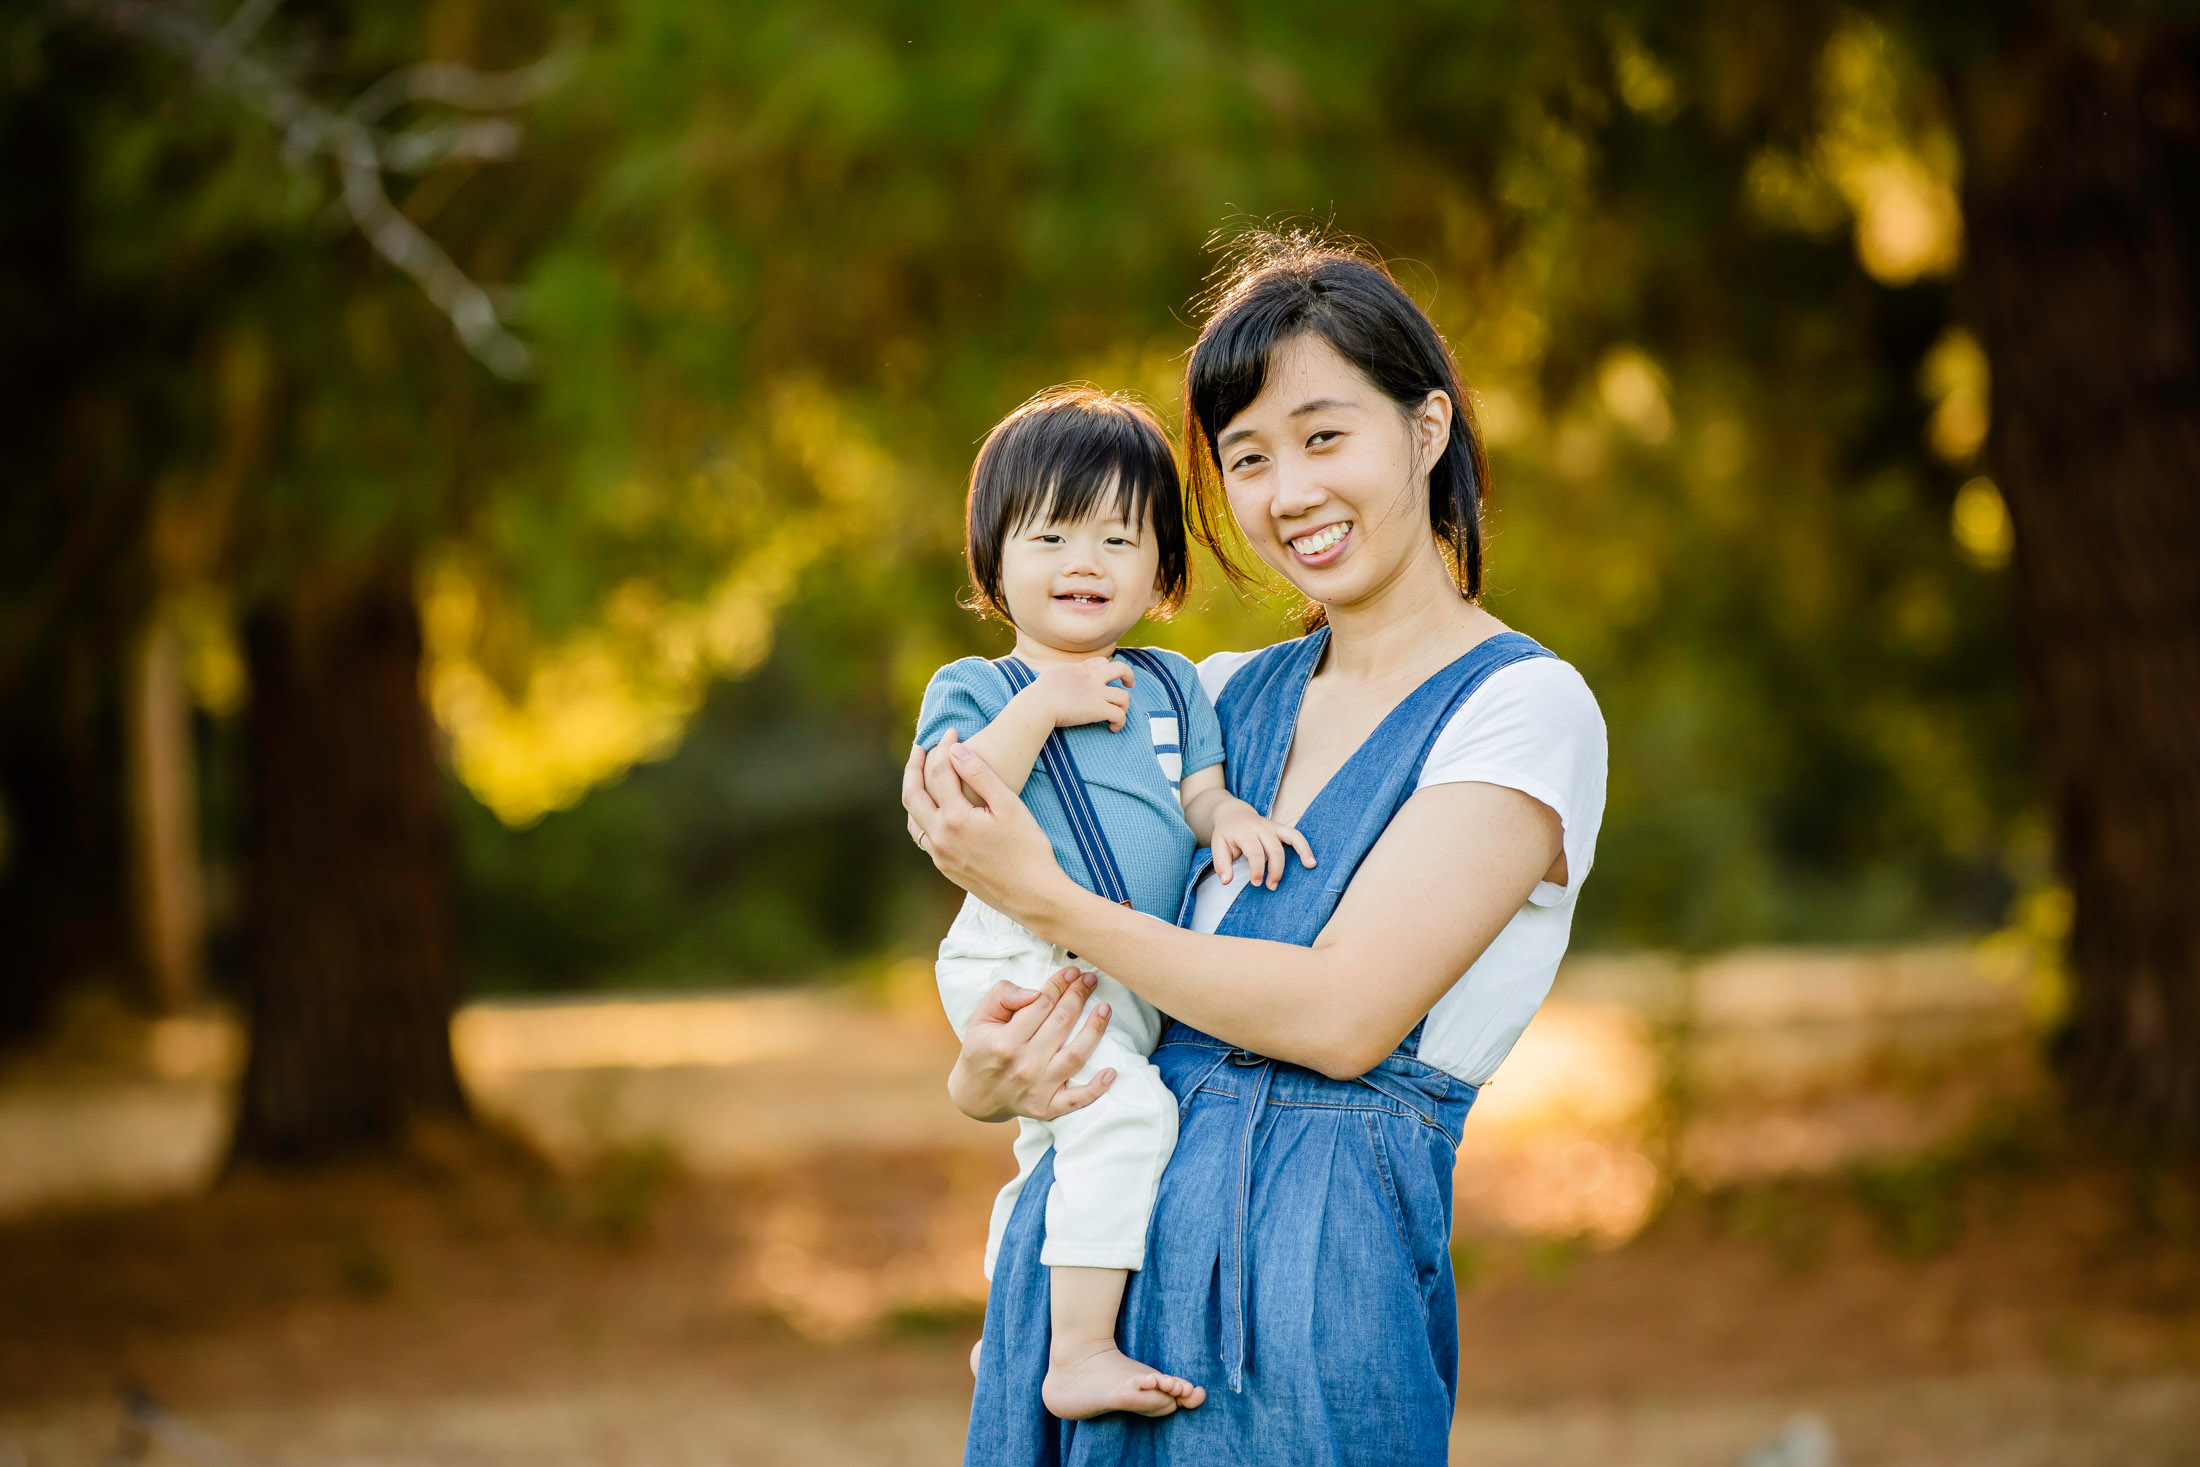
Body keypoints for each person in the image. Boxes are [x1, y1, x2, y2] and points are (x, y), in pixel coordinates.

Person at [904, 236, 1608, 1465]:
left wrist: (1048, 896)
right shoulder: (1211, 700)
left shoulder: (1520, 710)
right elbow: (1045, 990)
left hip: (1308, 1277)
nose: (1288, 493)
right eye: (1246, 457)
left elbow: (1343, 1017)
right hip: (1091, 1273)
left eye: (1324, 437)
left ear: (1426, 429)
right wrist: (987, 1079)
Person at [916, 387, 1315, 1422]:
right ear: (993, 561)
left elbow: (1196, 793)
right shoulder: (978, 686)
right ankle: (1078, 1353)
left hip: (1128, 963)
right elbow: (957, 810)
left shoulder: (1172, 686)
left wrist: (1227, 816)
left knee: (1059, 1146)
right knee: (1126, 1114)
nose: (1084, 561)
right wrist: (1045, 703)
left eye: (1118, 536)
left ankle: (1014, 1324)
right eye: (1050, 534)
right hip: (1017, 952)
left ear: (1162, 569)